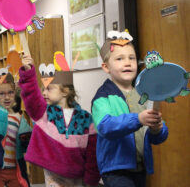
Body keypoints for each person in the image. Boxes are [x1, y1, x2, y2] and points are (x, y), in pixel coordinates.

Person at [91, 30, 169, 187]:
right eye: (119, 59)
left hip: (140, 168)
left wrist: (157, 128)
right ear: (106, 67)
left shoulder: (143, 94)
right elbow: (105, 126)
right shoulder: (102, 97)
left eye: (131, 58)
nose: (127, 63)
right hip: (115, 170)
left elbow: (155, 137)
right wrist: (138, 119)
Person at [19, 54, 100, 186]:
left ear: (65, 91)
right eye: (43, 89)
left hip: (78, 176)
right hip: (54, 175)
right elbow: (32, 97)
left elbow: (93, 153)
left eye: (49, 89)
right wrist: (28, 73)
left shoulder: (85, 118)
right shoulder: (44, 113)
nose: (44, 93)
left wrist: (91, 179)